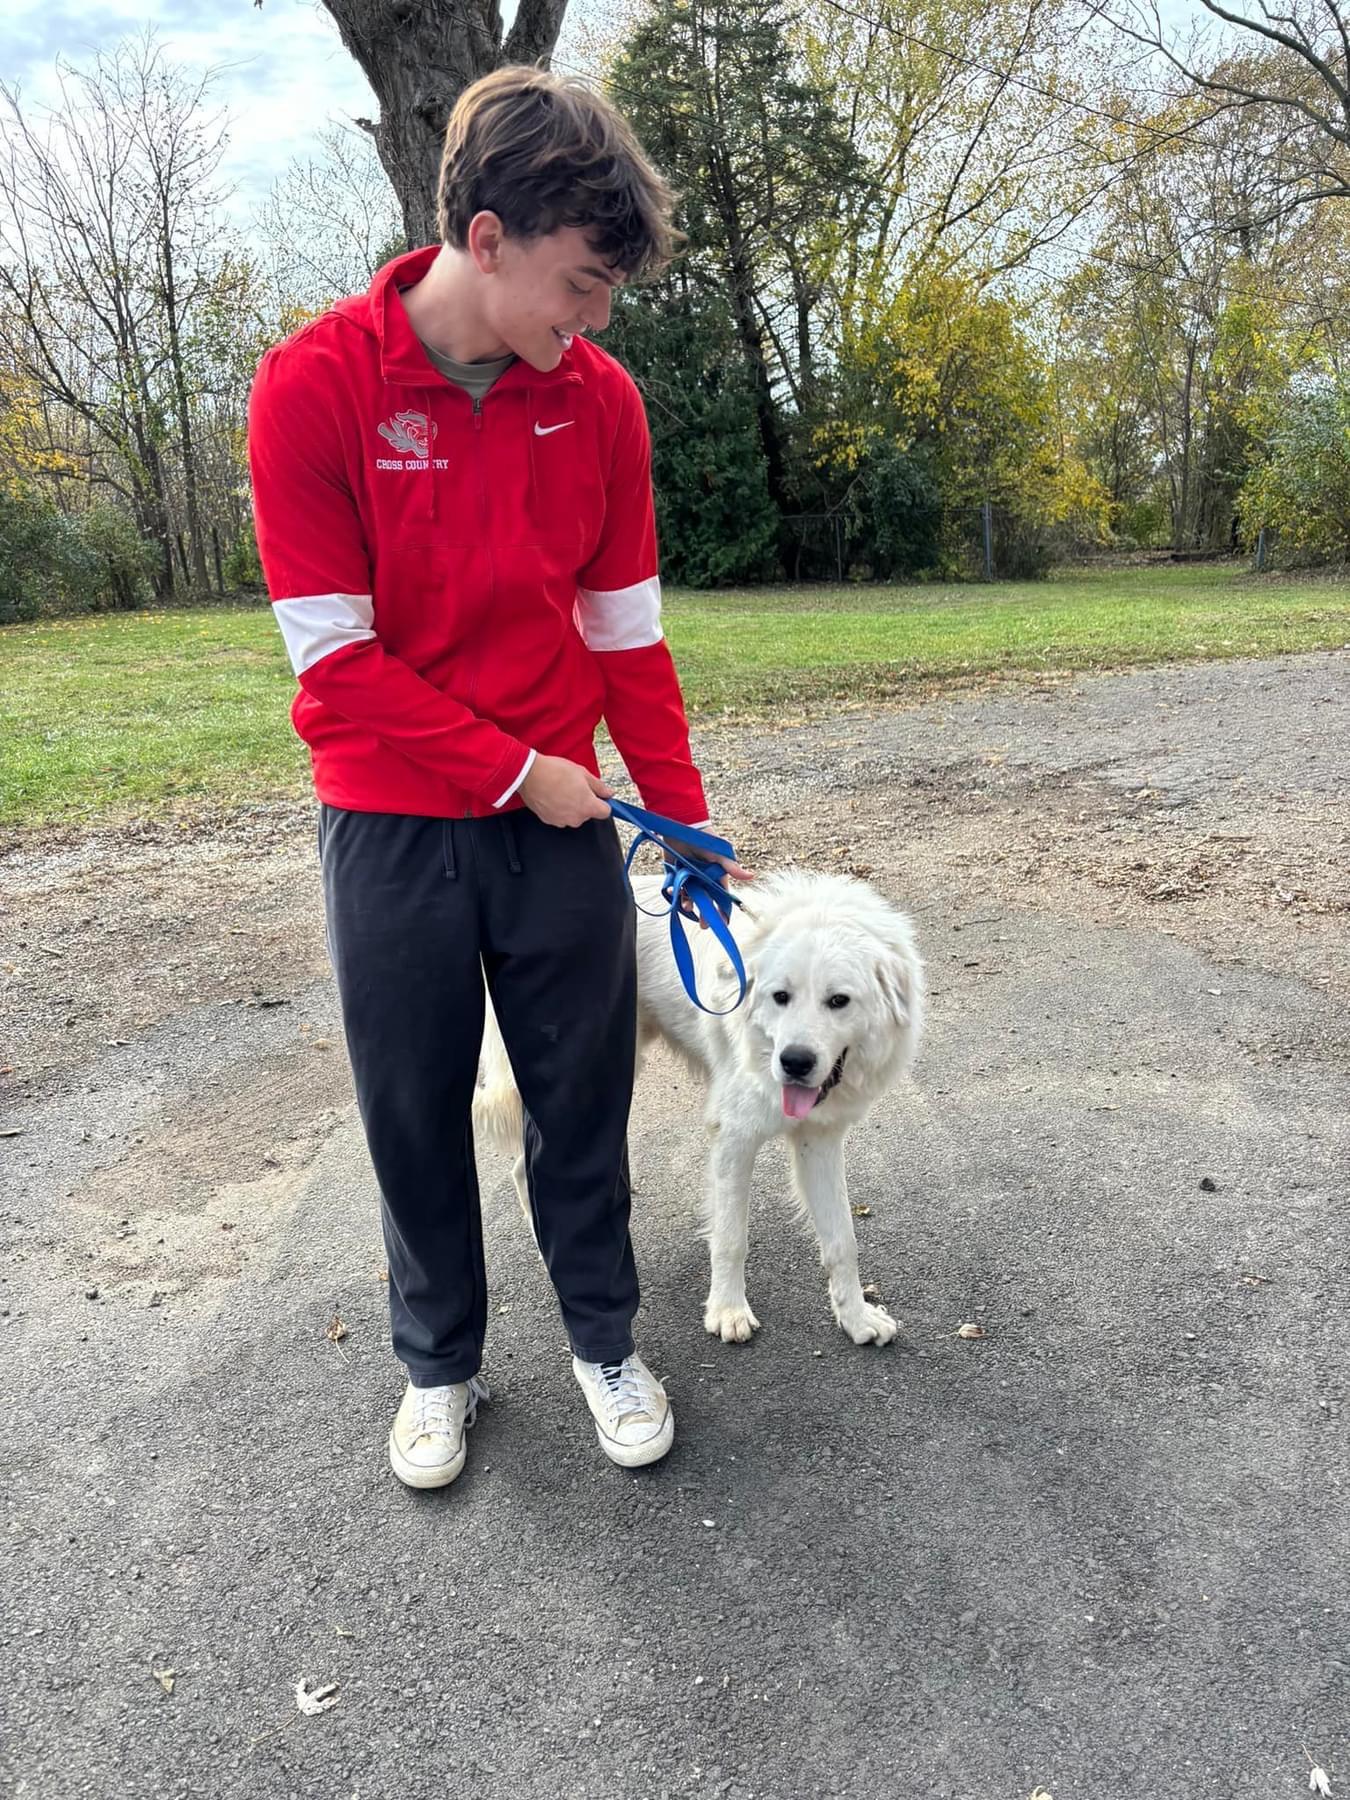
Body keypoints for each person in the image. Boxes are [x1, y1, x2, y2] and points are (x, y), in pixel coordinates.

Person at [247, 66, 748, 1489]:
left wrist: (683, 810)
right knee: (411, 1107)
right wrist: (515, 770)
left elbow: (626, 640)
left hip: (563, 831)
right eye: (579, 286)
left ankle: (603, 1338)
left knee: (579, 1095)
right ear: (485, 239)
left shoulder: (597, 404)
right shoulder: (312, 387)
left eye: (606, 300)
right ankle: (438, 1367)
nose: (591, 323)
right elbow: (333, 667)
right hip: (392, 826)